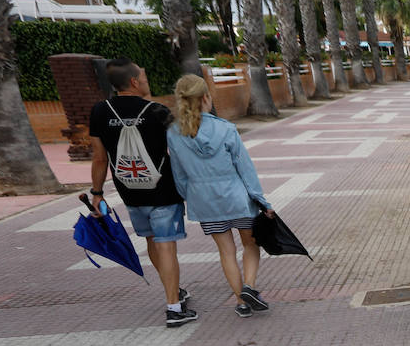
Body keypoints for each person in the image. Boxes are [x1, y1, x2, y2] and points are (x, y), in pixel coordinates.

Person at [88, 58, 194, 328]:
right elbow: (181, 150)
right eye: (144, 76)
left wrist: (97, 193)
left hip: (130, 190)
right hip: (163, 191)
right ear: (134, 81)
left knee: (151, 241)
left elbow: (100, 158)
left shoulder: (100, 111)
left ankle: (175, 293)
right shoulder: (157, 111)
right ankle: (174, 307)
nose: (147, 80)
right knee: (166, 245)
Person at [166, 74, 276, 317]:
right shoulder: (225, 129)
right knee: (250, 244)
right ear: (206, 97)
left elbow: (179, 175)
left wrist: (192, 196)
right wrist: (262, 200)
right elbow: (245, 169)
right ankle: (249, 287)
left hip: (204, 202)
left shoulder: (174, 134)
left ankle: (242, 302)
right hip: (237, 198)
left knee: (226, 251)